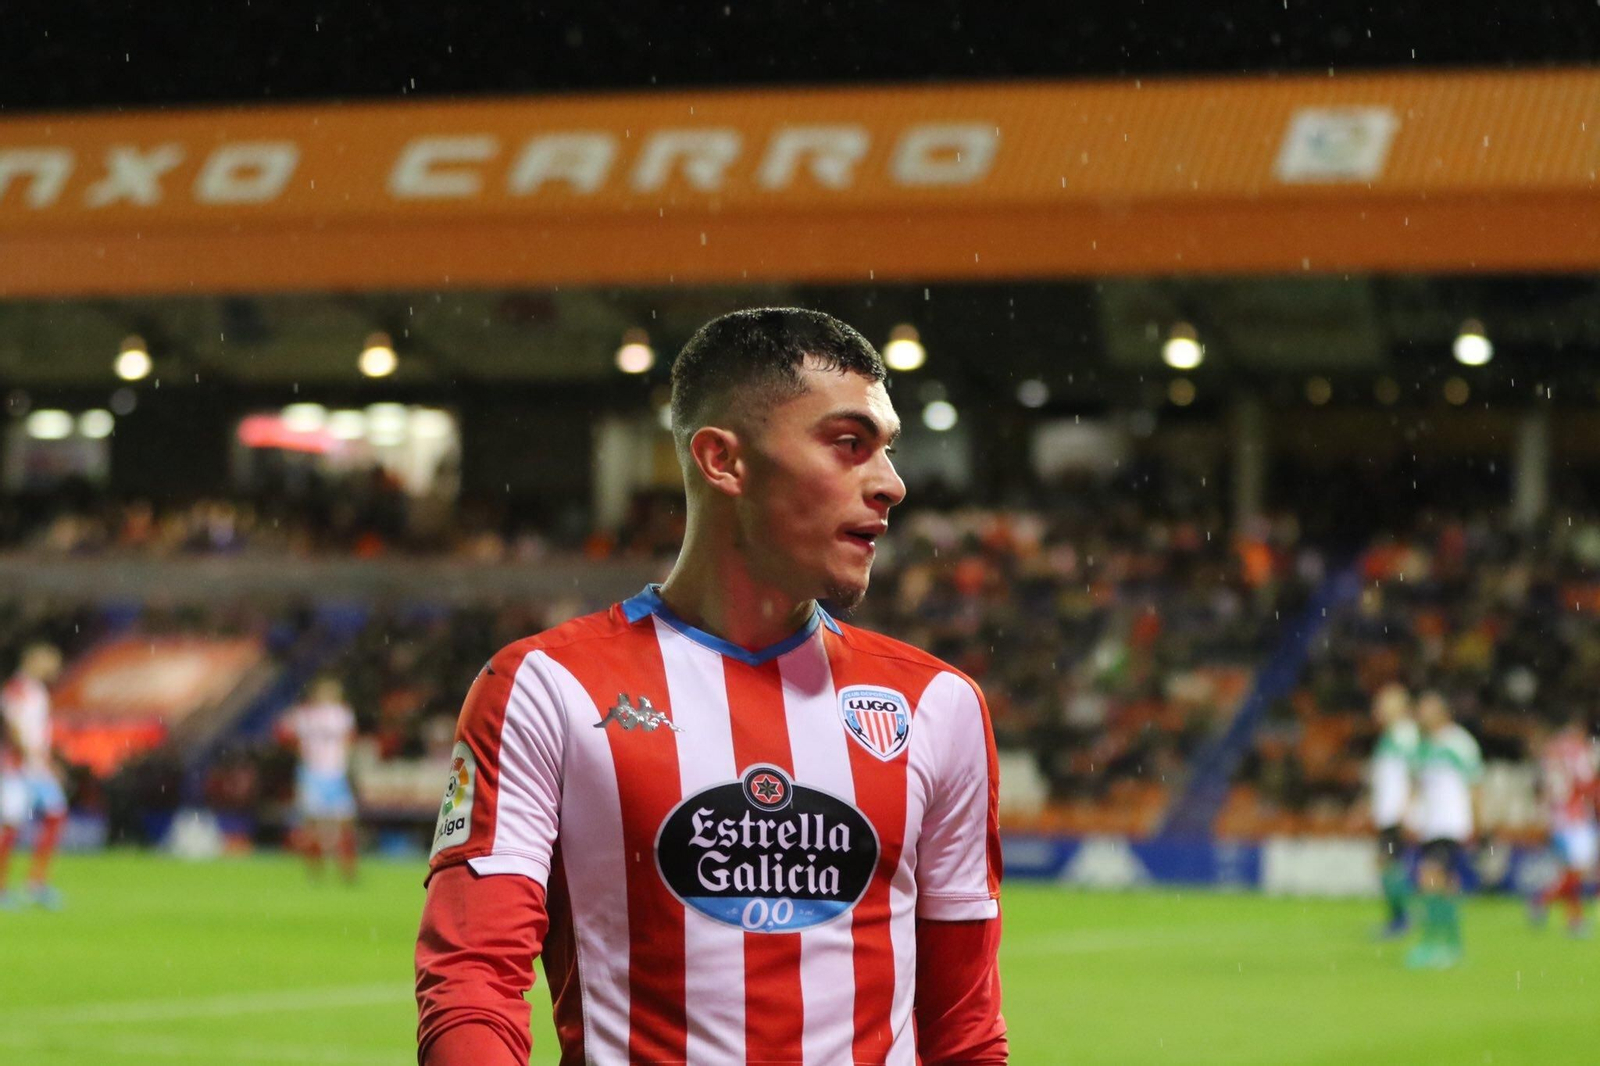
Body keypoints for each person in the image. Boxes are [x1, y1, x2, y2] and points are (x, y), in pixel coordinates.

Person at [415, 308, 1007, 1065]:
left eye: (887, 451)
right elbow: (473, 981)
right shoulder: (546, 686)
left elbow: (965, 1030)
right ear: (723, 461)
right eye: (849, 445)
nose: (891, 485)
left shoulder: (937, 706)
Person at [1405, 690, 1482, 969]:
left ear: (1442, 712)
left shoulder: (1459, 743)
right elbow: (1418, 787)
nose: (1421, 713)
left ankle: (1431, 944)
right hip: (1429, 825)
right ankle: (1451, 944)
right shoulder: (1424, 746)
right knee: (1445, 886)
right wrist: (1410, 817)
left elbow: (1475, 785)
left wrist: (1475, 822)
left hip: (1451, 824)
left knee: (1429, 879)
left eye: (1427, 708)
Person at [0, 643, 68, 910]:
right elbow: (14, 725)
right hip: (17, 767)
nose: (55, 671)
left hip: (36, 765)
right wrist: (28, 754)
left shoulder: (37, 691)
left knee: (55, 814)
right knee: (10, 825)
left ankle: (36, 883)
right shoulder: (17, 689)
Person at [279, 676, 360, 882]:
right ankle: (316, 870)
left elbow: (349, 742)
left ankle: (347, 869)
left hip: (335, 774)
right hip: (313, 775)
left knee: (344, 822)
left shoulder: (341, 714)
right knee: (313, 825)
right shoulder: (305, 715)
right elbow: (287, 736)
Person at [1529, 712, 1598, 937]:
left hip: (1557, 816)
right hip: (1575, 817)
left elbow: (1541, 784)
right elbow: (1585, 782)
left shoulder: (1551, 749)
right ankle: (1544, 901)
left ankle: (1572, 918)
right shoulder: (1578, 748)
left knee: (1571, 871)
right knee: (1576, 871)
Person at [1369, 682, 1417, 938]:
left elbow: (1415, 773)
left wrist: (1406, 809)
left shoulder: (1404, 735)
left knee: (1387, 863)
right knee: (1388, 864)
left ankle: (1401, 919)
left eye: (1384, 704)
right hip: (1387, 813)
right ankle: (1400, 916)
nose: (1378, 709)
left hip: (1397, 814)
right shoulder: (1391, 736)